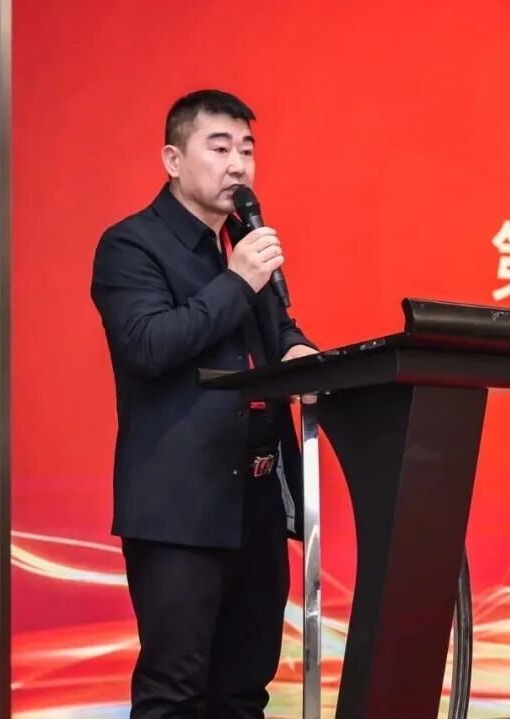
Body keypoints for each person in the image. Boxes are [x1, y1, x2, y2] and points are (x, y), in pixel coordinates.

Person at [90, 88, 317, 718]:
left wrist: (302, 355)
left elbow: (278, 333)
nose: (238, 165)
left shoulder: (242, 243)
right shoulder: (131, 245)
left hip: (258, 500)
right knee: (175, 693)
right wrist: (238, 280)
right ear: (173, 159)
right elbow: (148, 344)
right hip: (180, 508)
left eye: (247, 149)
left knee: (243, 693)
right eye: (219, 148)